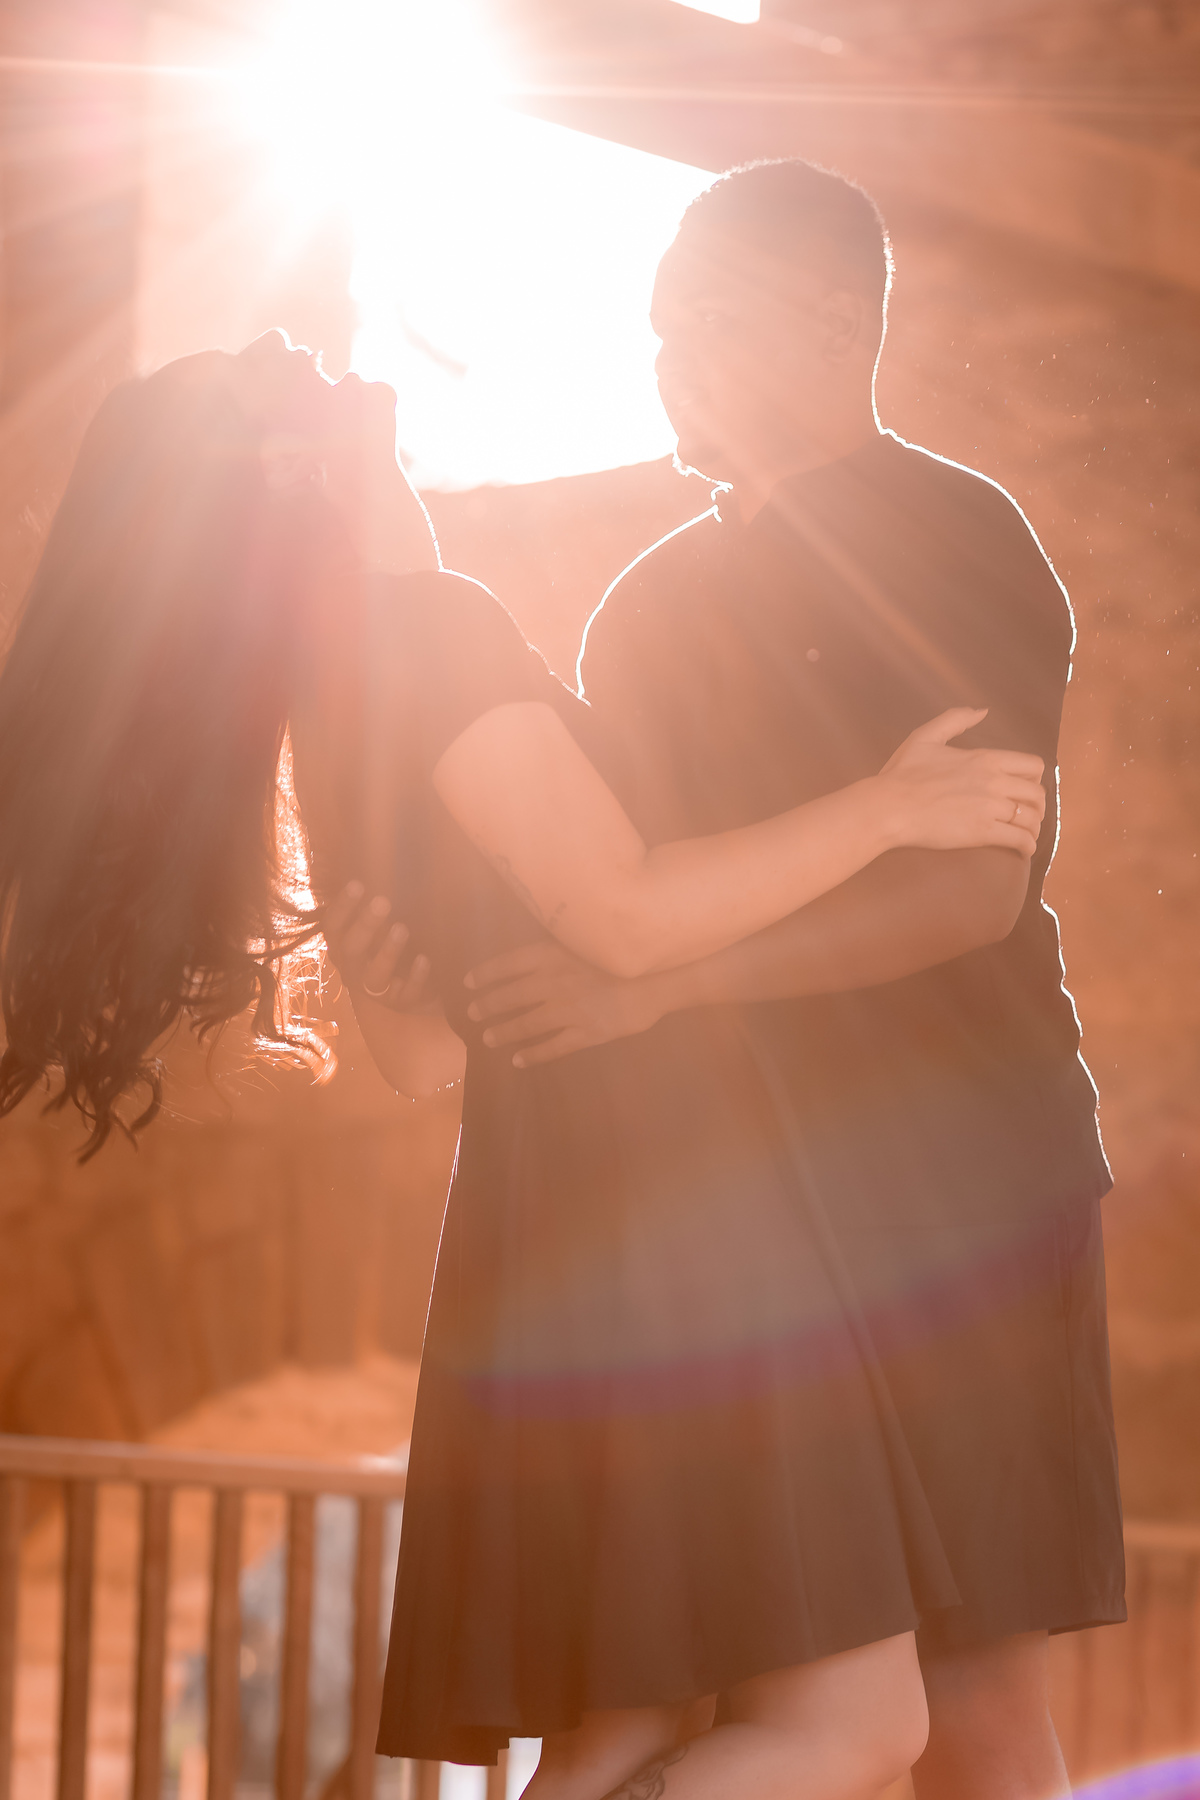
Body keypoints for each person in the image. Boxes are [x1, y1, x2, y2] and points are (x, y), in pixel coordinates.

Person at [0, 331, 1047, 1800]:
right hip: (676, 1217)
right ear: (295, 473)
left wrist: (393, 981)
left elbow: (426, 1049)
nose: (297, 339)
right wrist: (886, 808)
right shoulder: (422, 632)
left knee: (632, 1729)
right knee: (852, 1728)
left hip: (567, 1218)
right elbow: (617, 910)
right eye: (270, 367)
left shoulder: (348, 678)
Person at [348, 161, 1125, 1800]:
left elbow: (972, 890)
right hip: (743, 1217)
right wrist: (428, 955)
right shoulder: (647, 608)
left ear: (841, 322)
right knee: (725, 1704)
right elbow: (622, 893)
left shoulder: (961, 536)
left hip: (958, 1194)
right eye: (656, 327)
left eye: (704, 319)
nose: (666, 357)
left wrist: (671, 997)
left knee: (972, 1697)